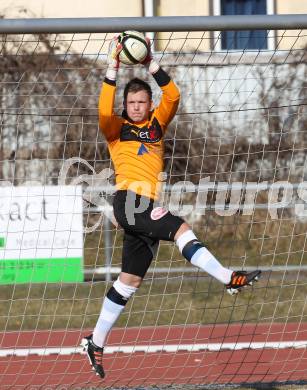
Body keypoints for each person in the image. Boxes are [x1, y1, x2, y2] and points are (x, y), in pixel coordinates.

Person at [81, 35, 261, 379]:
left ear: (149, 104)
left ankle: (95, 340)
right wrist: (113, 65)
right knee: (180, 228)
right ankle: (228, 278)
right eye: (131, 101)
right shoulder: (116, 129)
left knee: (129, 282)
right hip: (129, 202)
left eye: (142, 101)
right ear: (126, 103)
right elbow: (104, 109)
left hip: (146, 205)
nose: (136, 106)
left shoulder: (156, 125)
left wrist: (151, 62)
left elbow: (174, 95)